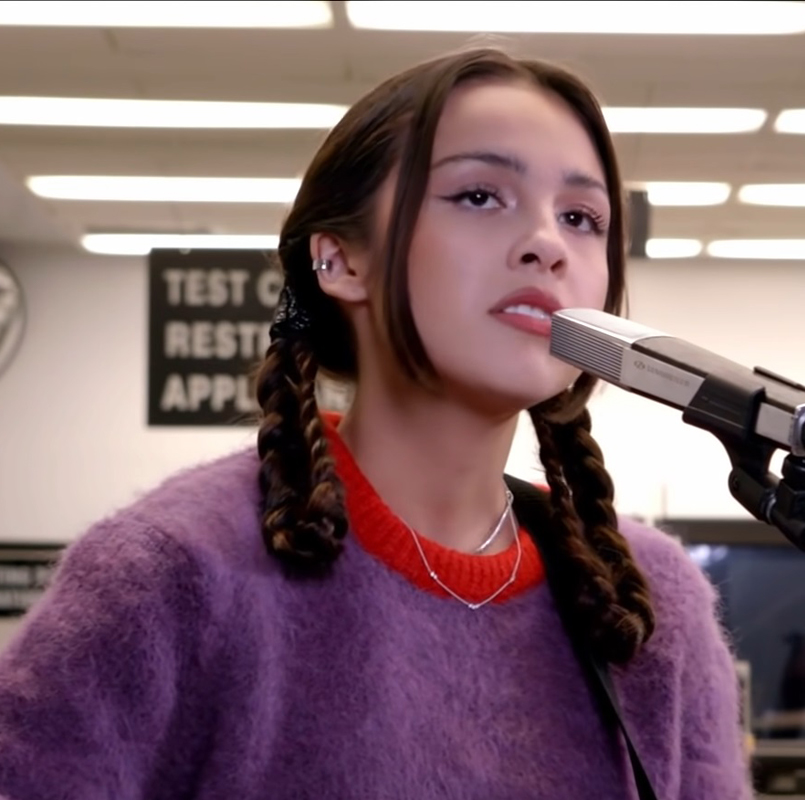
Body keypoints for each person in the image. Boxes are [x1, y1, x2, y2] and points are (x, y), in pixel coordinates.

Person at [0, 46, 752, 799]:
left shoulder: (647, 600)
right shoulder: (171, 574)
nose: (548, 244)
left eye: (582, 217)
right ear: (341, 261)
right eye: (481, 196)